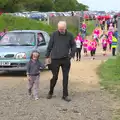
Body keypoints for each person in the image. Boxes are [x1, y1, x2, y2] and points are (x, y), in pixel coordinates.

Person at [45, 21, 76, 102]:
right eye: (59, 29)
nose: (61, 30)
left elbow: (74, 45)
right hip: (55, 59)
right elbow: (49, 47)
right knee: (55, 77)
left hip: (66, 59)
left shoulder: (70, 35)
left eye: (62, 29)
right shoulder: (54, 34)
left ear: (65, 28)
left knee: (65, 77)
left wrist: (71, 55)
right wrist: (47, 57)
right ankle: (50, 92)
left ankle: (65, 95)